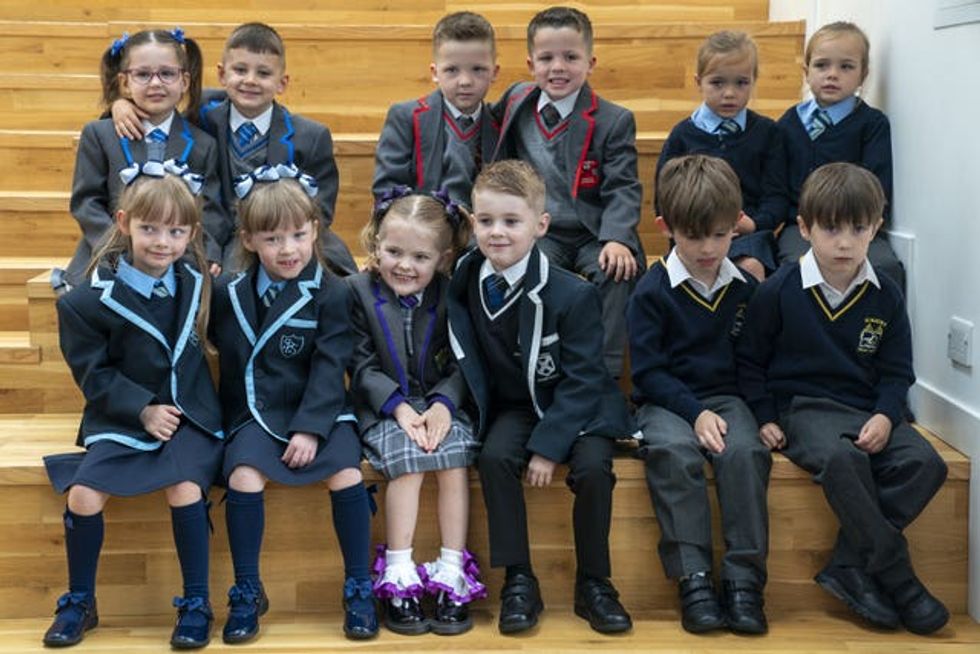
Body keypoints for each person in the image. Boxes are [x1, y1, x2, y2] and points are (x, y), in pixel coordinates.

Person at [737, 162, 949, 635]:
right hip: (803, 409)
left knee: (926, 464)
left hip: (865, 409)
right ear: (805, 228)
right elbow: (749, 363)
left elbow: (897, 373)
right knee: (844, 459)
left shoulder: (886, 295)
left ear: (876, 227)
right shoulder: (778, 290)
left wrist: (886, 416)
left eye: (859, 229)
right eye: (831, 229)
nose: (845, 243)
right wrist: (764, 416)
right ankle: (899, 577)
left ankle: (850, 564)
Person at [447, 160, 635, 635]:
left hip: (577, 408)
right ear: (472, 224)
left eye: (512, 222)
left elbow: (585, 380)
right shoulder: (464, 280)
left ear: (540, 225)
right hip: (515, 406)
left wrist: (549, 448)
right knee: (493, 458)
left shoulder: (572, 294)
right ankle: (518, 578)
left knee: (593, 469)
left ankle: (594, 582)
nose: (498, 233)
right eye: (486, 221)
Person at [42, 170, 223, 648]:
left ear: (192, 234)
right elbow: (93, 375)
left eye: (176, 231)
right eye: (150, 228)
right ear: (123, 223)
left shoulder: (199, 282)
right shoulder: (82, 302)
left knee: (184, 487)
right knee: (83, 495)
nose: (162, 242)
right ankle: (81, 600)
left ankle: (196, 601)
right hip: (122, 416)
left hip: (189, 415)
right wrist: (142, 410)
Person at [209, 167, 376, 642]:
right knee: (243, 476)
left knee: (346, 473)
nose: (289, 249)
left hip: (318, 411)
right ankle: (246, 591)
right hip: (255, 412)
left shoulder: (331, 291)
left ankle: (358, 586)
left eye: (299, 235)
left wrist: (310, 428)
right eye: (273, 238)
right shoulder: (228, 293)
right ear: (248, 239)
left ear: (315, 230)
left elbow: (330, 366)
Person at [628, 154, 770, 634]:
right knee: (672, 451)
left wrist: (761, 414)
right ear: (666, 227)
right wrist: (695, 413)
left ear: (737, 227)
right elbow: (648, 373)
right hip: (668, 399)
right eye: (694, 236)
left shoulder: (747, 289)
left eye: (720, 234)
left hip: (728, 398)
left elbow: (753, 363)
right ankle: (694, 578)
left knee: (745, 452)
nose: (708, 247)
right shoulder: (650, 291)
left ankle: (744, 580)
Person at [113, 22, 357, 275]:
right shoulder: (202, 115)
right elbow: (158, 107)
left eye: (263, 74)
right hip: (223, 237)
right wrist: (120, 104)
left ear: (282, 83)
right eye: (240, 70)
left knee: (337, 285)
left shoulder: (311, 136)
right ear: (222, 75)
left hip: (283, 235)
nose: (250, 80)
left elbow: (322, 209)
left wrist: (279, 239)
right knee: (221, 284)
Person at [348, 188, 485, 635]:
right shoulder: (357, 292)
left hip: (442, 402)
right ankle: (400, 575)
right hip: (384, 407)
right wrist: (399, 408)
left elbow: (466, 359)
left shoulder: (452, 295)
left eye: (420, 257)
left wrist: (445, 404)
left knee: (454, 461)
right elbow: (361, 363)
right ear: (375, 244)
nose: (404, 265)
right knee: (407, 463)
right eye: (393, 252)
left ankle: (451, 573)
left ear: (444, 258)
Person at [489, 6, 644, 377]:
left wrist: (618, 238)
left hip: (594, 232)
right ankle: (533, 371)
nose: (558, 67)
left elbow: (623, 186)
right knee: (523, 267)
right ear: (530, 64)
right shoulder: (515, 102)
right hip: (542, 230)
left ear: (590, 62)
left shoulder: (612, 119)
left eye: (570, 57)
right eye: (546, 58)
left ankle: (602, 378)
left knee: (616, 271)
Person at [66, 28, 224, 287]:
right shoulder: (100, 134)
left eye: (167, 74)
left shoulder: (203, 145)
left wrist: (207, 251)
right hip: (111, 254)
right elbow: (87, 203)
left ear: (184, 81)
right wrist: (119, 248)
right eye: (142, 74)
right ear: (125, 83)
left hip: (177, 254)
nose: (155, 83)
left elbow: (210, 211)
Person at [776, 21, 903, 290]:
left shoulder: (872, 124)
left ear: (863, 75)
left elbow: (878, 189)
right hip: (803, 228)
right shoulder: (788, 123)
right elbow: (777, 186)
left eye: (846, 67)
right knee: (793, 268)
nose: (832, 74)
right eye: (822, 65)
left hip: (855, 227)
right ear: (806, 72)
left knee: (886, 268)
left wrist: (856, 228)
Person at [655, 30, 787, 281]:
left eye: (741, 83)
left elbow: (777, 196)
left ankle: (744, 321)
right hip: (693, 232)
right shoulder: (683, 134)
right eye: (717, 83)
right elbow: (664, 196)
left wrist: (755, 223)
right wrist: (688, 227)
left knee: (750, 267)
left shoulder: (768, 133)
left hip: (747, 234)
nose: (729, 93)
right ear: (698, 82)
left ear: (754, 80)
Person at [372, 12, 500, 210]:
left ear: (494, 72)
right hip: (420, 228)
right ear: (435, 73)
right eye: (452, 70)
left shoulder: (500, 121)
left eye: (478, 69)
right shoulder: (405, 117)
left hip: (483, 232)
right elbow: (388, 191)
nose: (465, 81)